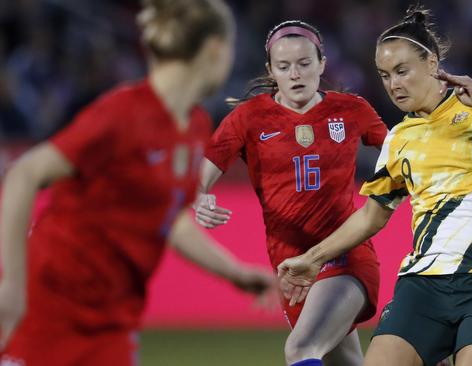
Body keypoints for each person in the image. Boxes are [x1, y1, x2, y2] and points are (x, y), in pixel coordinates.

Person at [278, 6, 472, 366]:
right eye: (384, 75)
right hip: (425, 285)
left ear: (431, 64)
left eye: (402, 71)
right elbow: (370, 217)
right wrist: (311, 259)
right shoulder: (399, 139)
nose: (393, 84)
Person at [0, 1, 274, 365]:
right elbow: (24, 174)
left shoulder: (194, 125)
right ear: (215, 49)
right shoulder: (123, 112)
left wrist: (234, 272)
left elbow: (171, 219)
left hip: (114, 317)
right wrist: (13, 288)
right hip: (50, 306)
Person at [194, 20, 388, 366]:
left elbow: (401, 153)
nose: (295, 74)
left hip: (345, 259)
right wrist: (201, 196)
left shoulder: (350, 109)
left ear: (322, 64)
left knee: (301, 349)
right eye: (284, 67)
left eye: (304, 64)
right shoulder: (248, 119)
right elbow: (204, 172)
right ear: (271, 70)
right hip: (291, 271)